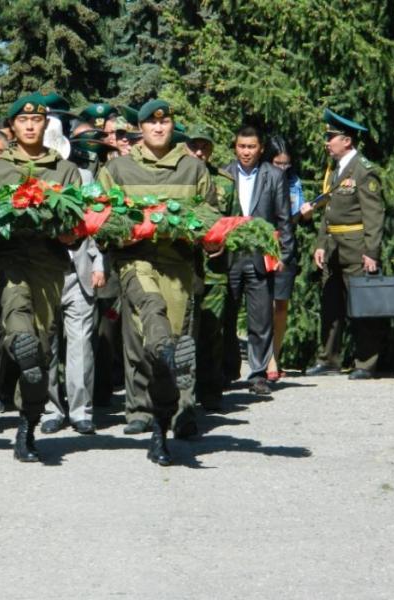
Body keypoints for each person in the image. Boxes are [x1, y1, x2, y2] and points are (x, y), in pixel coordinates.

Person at [98, 99, 221, 465]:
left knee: (179, 341)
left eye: (164, 123)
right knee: (151, 331)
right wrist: (119, 235)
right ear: (140, 129)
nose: (158, 128)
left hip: (179, 265)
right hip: (135, 261)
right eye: (151, 124)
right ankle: (143, 409)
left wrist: (211, 238)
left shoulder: (193, 168)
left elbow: (210, 215)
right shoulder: (118, 168)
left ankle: (181, 411)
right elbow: (100, 217)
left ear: (172, 126)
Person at [0, 94, 81, 462]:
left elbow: (77, 224)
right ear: (12, 127)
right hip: (8, 260)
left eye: (36, 120)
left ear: (44, 125)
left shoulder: (64, 170)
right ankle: (18, 344)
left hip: (48, 264)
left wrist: (70, 233)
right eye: (22, 120)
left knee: (40, 348)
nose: (29, 126)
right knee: (17, 318)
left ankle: (28, 425)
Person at [306, 109, 386, 379]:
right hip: (333, 248)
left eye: (331, 138)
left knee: (362, 305)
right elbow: (328, 210)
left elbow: (374, 215)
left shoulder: (363, 171)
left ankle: (366, 363)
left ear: (347, 141)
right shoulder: (336, 169)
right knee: (331, 306)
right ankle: (329, 359)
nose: (326, 143)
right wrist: (321, 243)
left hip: (357, 249)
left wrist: (371, 252)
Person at [223, 125, 294, 396]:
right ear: (235, 147)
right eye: (242, 146)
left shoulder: (273, 175)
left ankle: (258, 374)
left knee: (261, 318)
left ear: (260, 149)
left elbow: (284, 219)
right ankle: (227, 370)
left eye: (251, 147)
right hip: (229, 256)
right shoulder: (224, 174)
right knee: (225, 317)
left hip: (260, 257)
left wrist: (284, 254)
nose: (246, 152)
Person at [185, 125, 235, 410]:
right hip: (184, 267)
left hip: (214, 269)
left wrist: (225, 242)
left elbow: (234, 221)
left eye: (205, 147)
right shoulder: (177, 178)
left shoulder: (225, 182)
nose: (199, 152)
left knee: (212, 333)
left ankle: (211, 391)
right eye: (194, 146)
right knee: (184, 333)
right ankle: (184, 392)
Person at [41, 237, 105, 434]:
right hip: (44, 274)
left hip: (79, 276)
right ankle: (51, 411)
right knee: (46, 345)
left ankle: (81, 413)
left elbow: (97, 232)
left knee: (81, 345)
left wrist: (99, 264)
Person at [265, 135, 309, 380]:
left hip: (286, 247)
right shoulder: (262, 179)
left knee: (281, 304)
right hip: (263, 245)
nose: (282, 168)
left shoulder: (294, 182)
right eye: (278, 163)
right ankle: (266, 359)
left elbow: (294, 216)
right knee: (264, 304)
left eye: (286, 164)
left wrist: (305, 214)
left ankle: (276, 354)